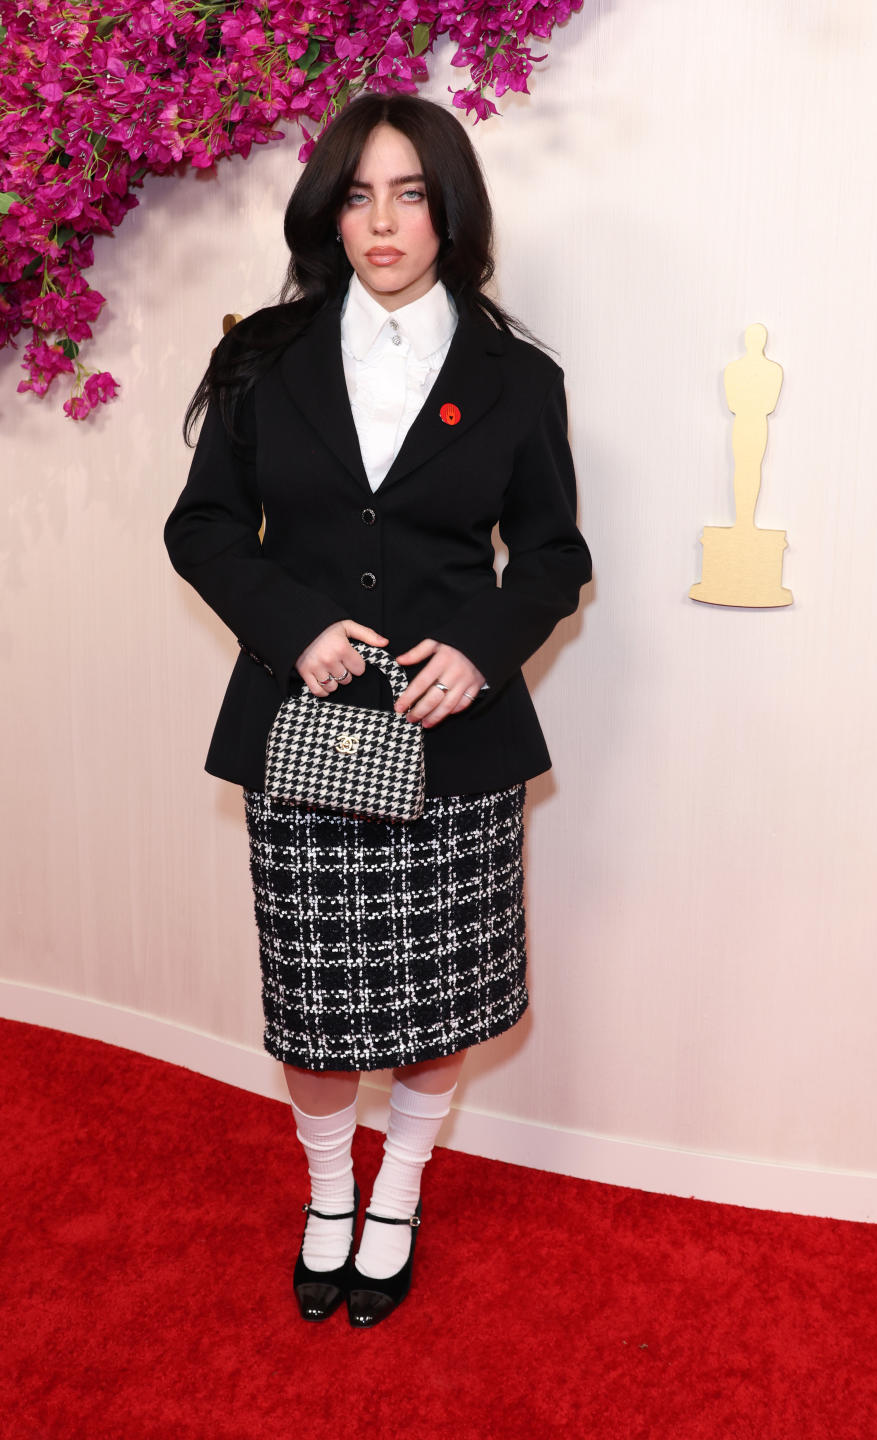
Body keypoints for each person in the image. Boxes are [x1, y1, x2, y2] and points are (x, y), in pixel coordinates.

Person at [164, 92, 592, 1329]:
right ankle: (324, 1194)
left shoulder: (519, 379)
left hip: (453, 740)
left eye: (409, 193)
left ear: (451, 211)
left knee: (435, 1000)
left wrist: (485, 648)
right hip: (302, 733)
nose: (383, 221)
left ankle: (396, 1190)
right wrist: (289, 622)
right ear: (327, 211)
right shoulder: (259, 357)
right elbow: (199, 528)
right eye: (357, 194)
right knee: (315, 999)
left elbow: (555, 559)